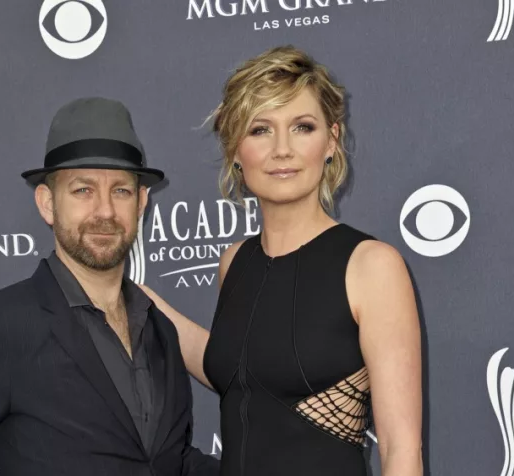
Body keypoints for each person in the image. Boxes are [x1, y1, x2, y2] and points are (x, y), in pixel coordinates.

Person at [139, 46, 423, 476]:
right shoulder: (234, 261)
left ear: (331, 141)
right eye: (260, 130)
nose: (282, 149)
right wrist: (137, 301)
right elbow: (243, 373)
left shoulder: (371, 267)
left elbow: (402, 453)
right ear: (235, 150)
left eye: (302, 127)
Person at [0, 97, 220, 476]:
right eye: (83, 190)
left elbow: (170, 462)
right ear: (48, 203)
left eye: (120, 190)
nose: (104, 211)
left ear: (141, 204)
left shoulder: (160, 329)